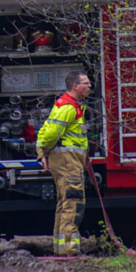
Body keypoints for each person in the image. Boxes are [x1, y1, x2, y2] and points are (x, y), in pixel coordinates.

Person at [37, 70, 90, 257]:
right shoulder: (68, 108)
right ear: (76, 86)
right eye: (86, 83)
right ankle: (70, 250)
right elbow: (50, 134)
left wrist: (41, 152)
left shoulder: (62, 105)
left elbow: (45, 129)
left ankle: (61, 249)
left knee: (64, 203)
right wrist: (43, 151)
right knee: (73, 204)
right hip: (68, 162)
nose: (89, 86)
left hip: (66, 161)